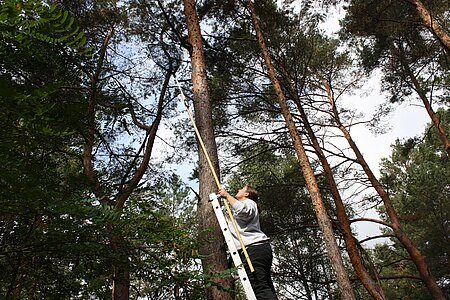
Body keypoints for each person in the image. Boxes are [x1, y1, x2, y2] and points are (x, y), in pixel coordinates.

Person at [218, 185, 278, 300]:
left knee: (260, 289)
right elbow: (236, 221)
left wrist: (227, 195)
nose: (238, 189)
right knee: (265, 287)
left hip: (253, 250)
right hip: (257, 249)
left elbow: (243, 210)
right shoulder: (245, 207)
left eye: (241, 189)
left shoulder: (250, 203)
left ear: (246, 194)